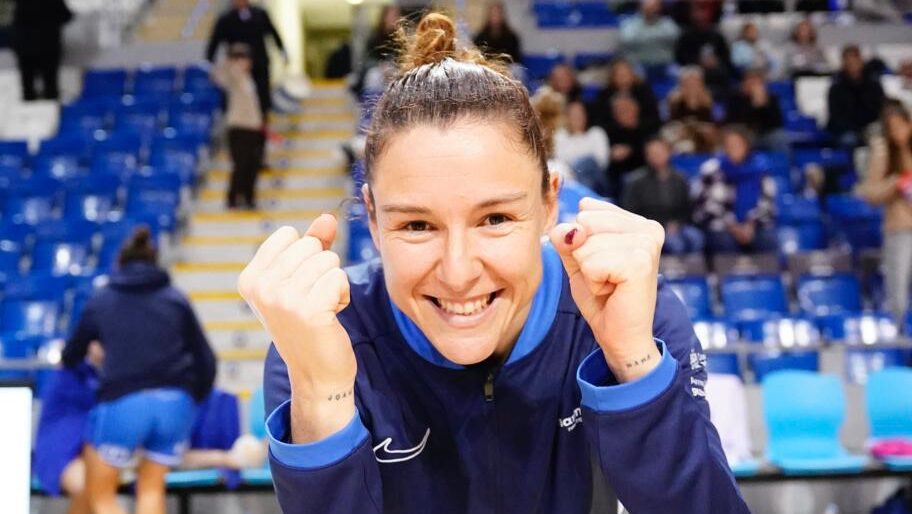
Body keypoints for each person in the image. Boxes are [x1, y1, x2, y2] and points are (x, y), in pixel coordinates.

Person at [243, 14, 750, 513]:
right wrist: (322, 394)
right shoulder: (325, 336)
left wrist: (633, 364)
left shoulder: (625, 307)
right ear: (372, 218)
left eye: (495, 218)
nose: (459, 272)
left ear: (550, 203)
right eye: (417, 226)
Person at [61, 227, 217, 514]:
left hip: (124, 401)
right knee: (151, 490)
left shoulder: (102, 298)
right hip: (175, 403)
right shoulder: (175, 298)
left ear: (119, 263)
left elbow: (71, 354)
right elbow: (206, 359)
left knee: (102, 496)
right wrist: (191, 397)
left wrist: (92, 362)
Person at [35, 344, 265, 514]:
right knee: (97, 486)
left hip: (127, 455)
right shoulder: (73, 378)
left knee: (131, 481)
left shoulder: (150, 387)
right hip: (79, 451)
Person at [856, 102, 912, 330]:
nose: (898, 132)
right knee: (897, 286)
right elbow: (868, 192)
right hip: (899, 227)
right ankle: (900, 335)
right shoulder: (882, 152)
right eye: (893, 128)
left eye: (902, 126)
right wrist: (895, 184)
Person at [693, 125, 778, 254]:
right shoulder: (711, 170)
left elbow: (767, 202)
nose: (733, 148)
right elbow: (707, 205)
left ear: (746, 146)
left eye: (737, 144)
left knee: (768, 239)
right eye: (729, 144)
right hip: (721, 225)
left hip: (754, 225)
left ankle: (769, 274)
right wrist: (733, 226)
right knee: (724, 242)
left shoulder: (761, 169)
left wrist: (751, 224)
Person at [206, 0, 286, 117]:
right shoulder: (225, 19)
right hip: (236, 72)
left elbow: (273, 33)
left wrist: (282, 50)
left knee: (261, 100)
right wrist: (210, 61)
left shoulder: (260, 14)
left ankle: (262, 125)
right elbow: (214, 42)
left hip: (259, 66)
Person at [623, 138, 704, 254]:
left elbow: (687, 208)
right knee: (675, 244)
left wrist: (677, 223)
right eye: (652, 154)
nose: (656, 156)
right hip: (651, 226)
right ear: (647, 156)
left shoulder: (680, 178)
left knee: (696, 238)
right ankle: (674, 272)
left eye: (659, 153)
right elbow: (630, 211)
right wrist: (660, 225)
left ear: (668, 153)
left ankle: (694, 271)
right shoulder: (636, 181)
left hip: (677, 225)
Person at [212, 43, 266, 210]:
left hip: (253, 127)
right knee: (240, 164)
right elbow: (218, 76)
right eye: (241, 58)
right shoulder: (233, 77)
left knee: (252, 164)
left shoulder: (248, 79)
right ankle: (233, 199)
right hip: (239, 127)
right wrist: (230, 61)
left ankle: (249, 198)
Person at [11, 0, 72, 101]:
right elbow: (66, 16)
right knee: (50, 83)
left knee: (28, 84)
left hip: (26, 46)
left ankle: (29, 106)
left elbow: (17, 20)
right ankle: (49, 105)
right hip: (48, 45)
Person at [827, 45, 886, 147]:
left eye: (855, 61)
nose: (852, 65)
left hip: (871, 128)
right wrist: (856, 130)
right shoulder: (836, 87)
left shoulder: (874, 84)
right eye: (849, 62)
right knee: (849, 139)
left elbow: (881, 109)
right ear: (843, 63)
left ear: (861, 61)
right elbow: (836, 117)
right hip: (846, 130)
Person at [674, 1, 733, 96]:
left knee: (723, 72)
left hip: (714, 67)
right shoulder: (686, 36)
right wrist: (698, 61)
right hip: (693, 66)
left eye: (703, 20)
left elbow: (725, 55)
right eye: (698, 20)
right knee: (693, 74)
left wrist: (717, 61)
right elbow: (680, 57)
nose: (701, 21)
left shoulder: (716, 36)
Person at [590, 58, 662, 136]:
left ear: (632, 74)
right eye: (620, 75)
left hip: (642, 135)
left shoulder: (644, 93)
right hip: (614, 137)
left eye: (626, 74)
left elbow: (654, 120)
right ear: (613, 77)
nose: (623, 78)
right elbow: (599, 123)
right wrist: (619, 125)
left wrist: (636, 124)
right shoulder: (604, 96)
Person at [555, 99, 610, 195]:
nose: (577, 118)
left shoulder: (596, 133)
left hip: (596, 178)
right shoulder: (560, 136)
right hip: (570, 178)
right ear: (566, 118)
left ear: (586, 115)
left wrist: (577, 165)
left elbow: (601, 161)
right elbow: (560, 161)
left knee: (588, 161)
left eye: (580, 114)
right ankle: (584, 196)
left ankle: (580, 196)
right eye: (573, 115)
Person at [724, 69, 787, 152]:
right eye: (752, 83)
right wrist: (754, 106)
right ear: (744, 83)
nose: (755, 87)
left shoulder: (771, 99)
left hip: (766, 133)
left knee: (779, 136)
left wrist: (763, 106)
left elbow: (776, 123)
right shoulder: (736, 99)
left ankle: (784, 163)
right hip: (745, 133)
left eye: (758, 83)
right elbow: (736, 121)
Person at [606, 94, 652, 197]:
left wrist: (629, 151)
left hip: (645, 171)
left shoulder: (648, 129)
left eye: (626, 109)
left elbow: (651, 152)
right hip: (616, 175)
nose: (623, 113)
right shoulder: (611, 132)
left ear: (636, 109)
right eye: (618, 111)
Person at [664, 66, 718, 153]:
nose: (691, 85)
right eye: (688, 82)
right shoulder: (674, 101)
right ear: (682, 84)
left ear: (701, 83)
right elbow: (671, 123)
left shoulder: (709, 100)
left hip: (704, 136)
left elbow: (715, 123)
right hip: (682, 135)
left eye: (695, 82)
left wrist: (700, 127)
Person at [619, 0, 679, 72]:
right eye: (648, 7)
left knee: (677, 72)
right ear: (641, 7)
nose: (651, 10)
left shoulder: (668, 23)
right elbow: (627, 39)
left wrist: (644, 37)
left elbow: (675, 38)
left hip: (665, 64)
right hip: (638, 65)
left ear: (659, 8)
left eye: (654, 7)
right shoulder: (630, 24)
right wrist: (657, 37)